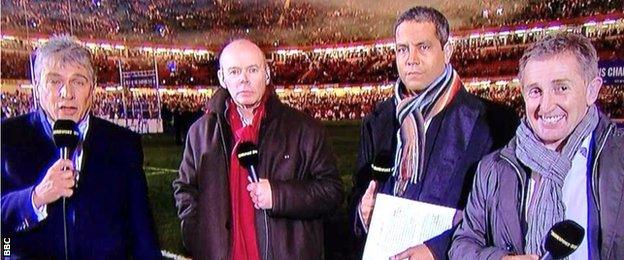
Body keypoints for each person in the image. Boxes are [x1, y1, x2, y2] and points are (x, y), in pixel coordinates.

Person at [349, 6, 518, 260]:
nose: (411, 59)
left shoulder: (493, 122)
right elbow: (357, 196)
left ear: (447, 51)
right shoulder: (379, 120)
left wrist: (437, 248)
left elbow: (498, 215)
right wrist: (362, 214)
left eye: (423, 47)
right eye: (402, 49)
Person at [450, 33, 624, 260]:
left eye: (561, 88)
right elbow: (463, 244)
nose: (546, 105)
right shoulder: (492, 169)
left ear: (592, 90)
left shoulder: (618, 158)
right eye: (535, 91)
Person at [172, 38, 343, 259]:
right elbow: (185, 188)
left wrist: (278, 196)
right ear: (222, 79)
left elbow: (332, 192)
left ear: (267, 74)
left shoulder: (305, 129)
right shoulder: (200, 133)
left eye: (252, 70)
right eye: (234, 72)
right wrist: (198, 237)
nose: (244, 79)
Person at [1, 35, 161, 258]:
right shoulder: (7, 137)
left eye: (78, 81)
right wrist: (35, 197)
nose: (67, 93)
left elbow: (142, 233)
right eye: (55, 81)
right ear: (37, 86)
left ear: (92, 88)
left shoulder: (123, 143)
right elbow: (3, 235)